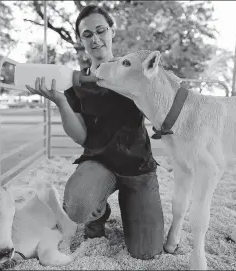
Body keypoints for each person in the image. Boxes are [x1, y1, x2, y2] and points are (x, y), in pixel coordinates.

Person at [26, 4, 164, 260]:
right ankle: (98, 215)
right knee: (77, 206)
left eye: (100, 30)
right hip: (100, 162)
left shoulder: (134, 71)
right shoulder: (74, 83)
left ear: (112, 31)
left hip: (139, 166)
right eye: (87, 34)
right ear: (81, 40)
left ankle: (133, 203)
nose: (95, 38)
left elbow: (159, 111)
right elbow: (82, 137)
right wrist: (60, 102)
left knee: (146, 252)